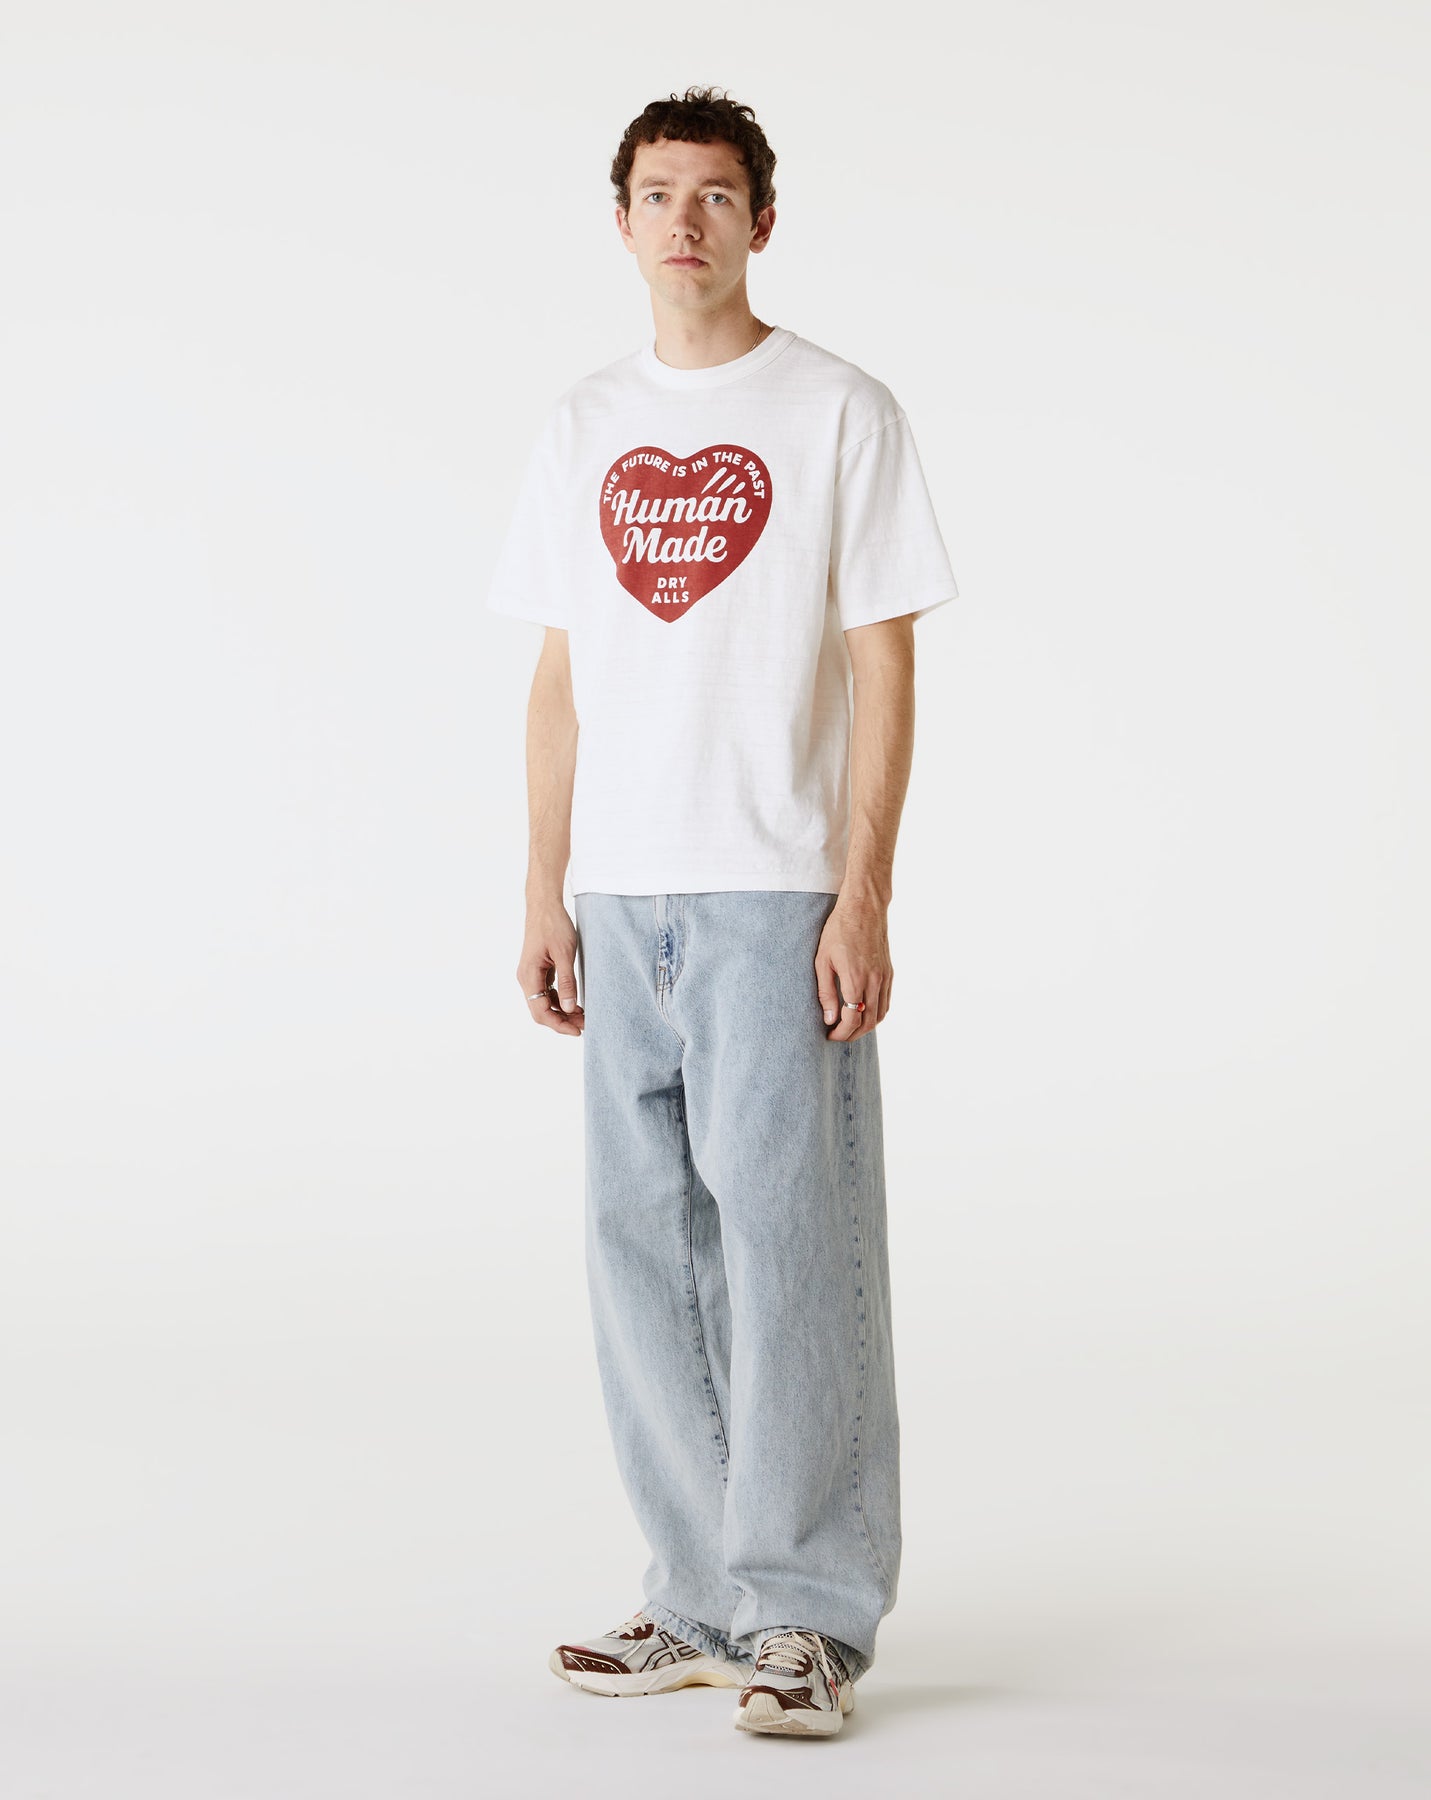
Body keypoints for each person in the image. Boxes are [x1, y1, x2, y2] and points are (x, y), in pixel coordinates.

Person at [486, 85, 959, 1738]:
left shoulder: (838, 411)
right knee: (647, 1253)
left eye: (714, 193)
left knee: (788, 1251)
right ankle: (698, 1596)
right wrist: (545, 886)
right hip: (622, 894)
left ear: (763, 219)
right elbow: (560, 677)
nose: (684, 221)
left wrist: (862, 891)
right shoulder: (582, 424)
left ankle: (808, 1613)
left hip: (772, 890)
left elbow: (884, 666)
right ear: (620, 222)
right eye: (656, 193)